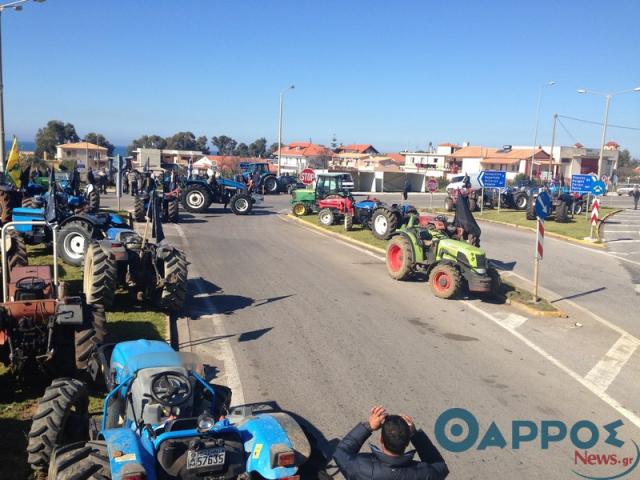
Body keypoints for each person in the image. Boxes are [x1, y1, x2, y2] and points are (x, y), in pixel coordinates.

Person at [334, 406, 449, 480]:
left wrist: (368, 427)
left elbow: (340, 452)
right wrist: (415, 435)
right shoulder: (425, 474)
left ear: (381, 440)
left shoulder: (360, 468)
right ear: (407, 442)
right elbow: (440, 467)